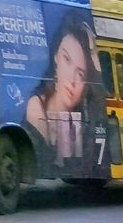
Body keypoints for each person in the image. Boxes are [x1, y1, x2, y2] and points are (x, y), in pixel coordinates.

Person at [23, 10, 104, 170]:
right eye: (67, 60)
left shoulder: (81, 119)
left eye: (81, 74)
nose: (72, 80)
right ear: (55, 57)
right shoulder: (36, 108)